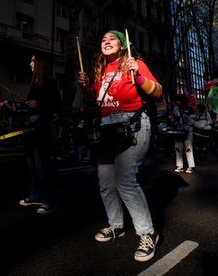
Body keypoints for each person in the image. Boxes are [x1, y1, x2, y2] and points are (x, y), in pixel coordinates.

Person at [78, 30, 162, 262]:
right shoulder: (102, 70)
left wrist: (140, 76)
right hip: (107, 131)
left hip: (133, 126)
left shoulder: (135, 63)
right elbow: (94, 99)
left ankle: (147, 233)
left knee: (125, 180)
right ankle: (116, 225)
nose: (106, 41)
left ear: (123, 45)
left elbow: (158, 91)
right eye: (103, 39)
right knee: (105, 183)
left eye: (112, 38)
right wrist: (86, 87)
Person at [19, 53, 61, 215]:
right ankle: (36, 194)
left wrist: (38, 103)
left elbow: (57, 105)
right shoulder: (34, 83)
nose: (30, 63)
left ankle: (50, 200)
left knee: (43, 165)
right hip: (32, 127)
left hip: (43, 127)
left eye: (33, 60)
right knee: (33, 165)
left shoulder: (49, 81)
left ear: (40, 64)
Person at [171, 95, 195, 173]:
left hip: (188, 130)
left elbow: (192, 119)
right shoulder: (175, 108)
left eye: (178, 100)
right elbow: (172, 119)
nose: (177, 102)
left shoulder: (189, 108)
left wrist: (186, 122)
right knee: (178, 148)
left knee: (188, 148)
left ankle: (190, 166)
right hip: (178, 130)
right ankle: (179, 166)